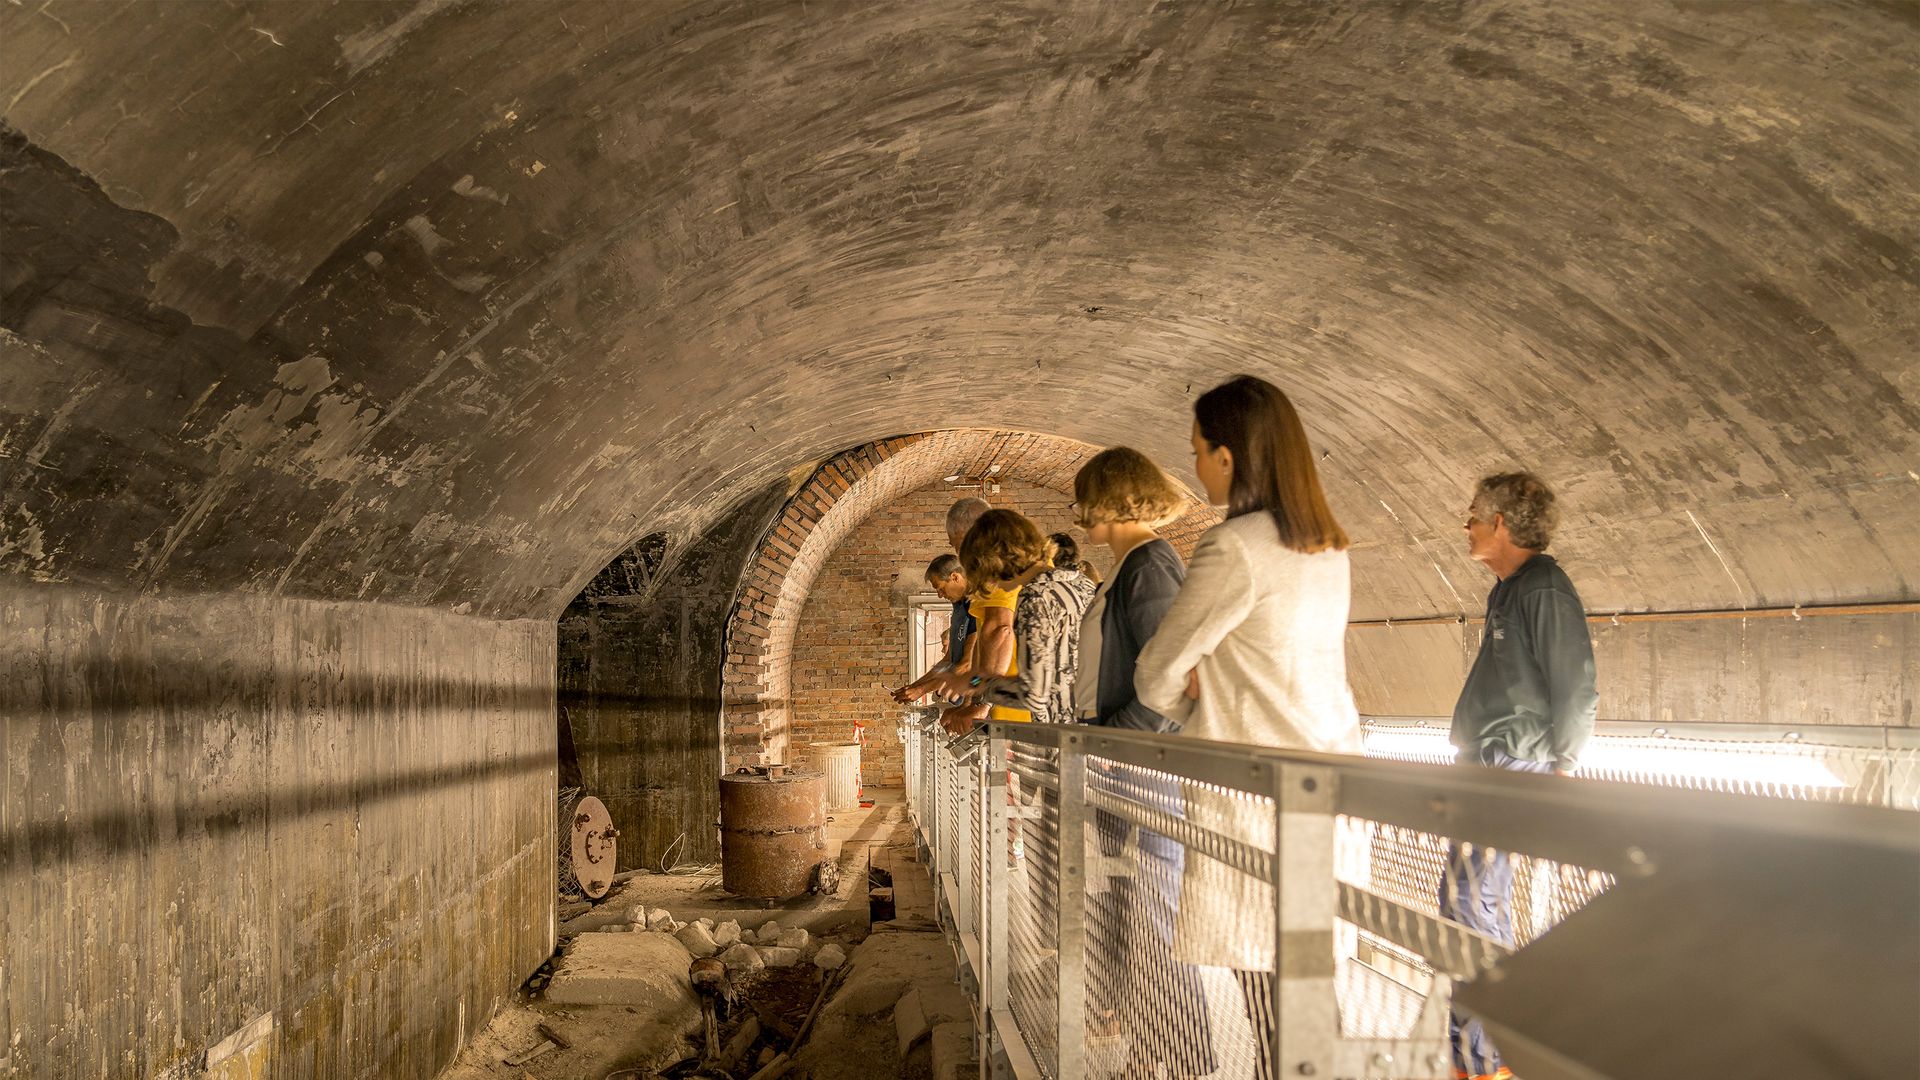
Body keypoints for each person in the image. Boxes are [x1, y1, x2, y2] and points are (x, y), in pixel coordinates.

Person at [1134, 374, 1362, 1080]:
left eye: (1198, 449)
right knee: (1309, 988)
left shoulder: (1234, 547)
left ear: (1228, 457)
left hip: (1254, 792)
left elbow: (1156, 671)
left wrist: (1199, 701)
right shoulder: (1328, 547)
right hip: (1329, 779)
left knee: (1266, 988)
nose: (1195, 464)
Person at [1440, 471, 1597, 1080]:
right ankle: (1481, 1056)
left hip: (1512, 765)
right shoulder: (1507, 588)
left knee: (1471, 903)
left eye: (1474, 514)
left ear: (1501, 523)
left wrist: (1563, 769)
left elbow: (1577, 685)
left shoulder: (1545, 588)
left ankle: (1485, 1061)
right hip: (1486, 763)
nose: (1467, 524)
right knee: (1470, 906)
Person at [1071, 447, 1217, 1077]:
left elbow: (1169, 675)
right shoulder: (1130, 564)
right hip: (1117, 757)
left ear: (1108, 499)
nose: (1080, 514)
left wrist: (1119, 743)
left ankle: (1177, 1054)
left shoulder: (1151, 563)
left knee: (1153, 907)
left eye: (1086, 501)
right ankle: (1141, 1041)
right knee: (1125, 901)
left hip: (1137, 765)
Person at [959, 510, 1096, 725]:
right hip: (1096, 729)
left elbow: (1034, 695)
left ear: (993, 564)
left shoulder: (1035, 597)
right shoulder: (1080, 583)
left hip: (1063, 734)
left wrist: (976, 683)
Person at [891, 554, 973, 705]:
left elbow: (967, 665)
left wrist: (921, 690)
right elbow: (948, 661)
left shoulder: (976, 609)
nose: (940, 595)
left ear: (955, 577)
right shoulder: (958, 608)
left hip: (976, 697)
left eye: (941, 589)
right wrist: (913, 687)